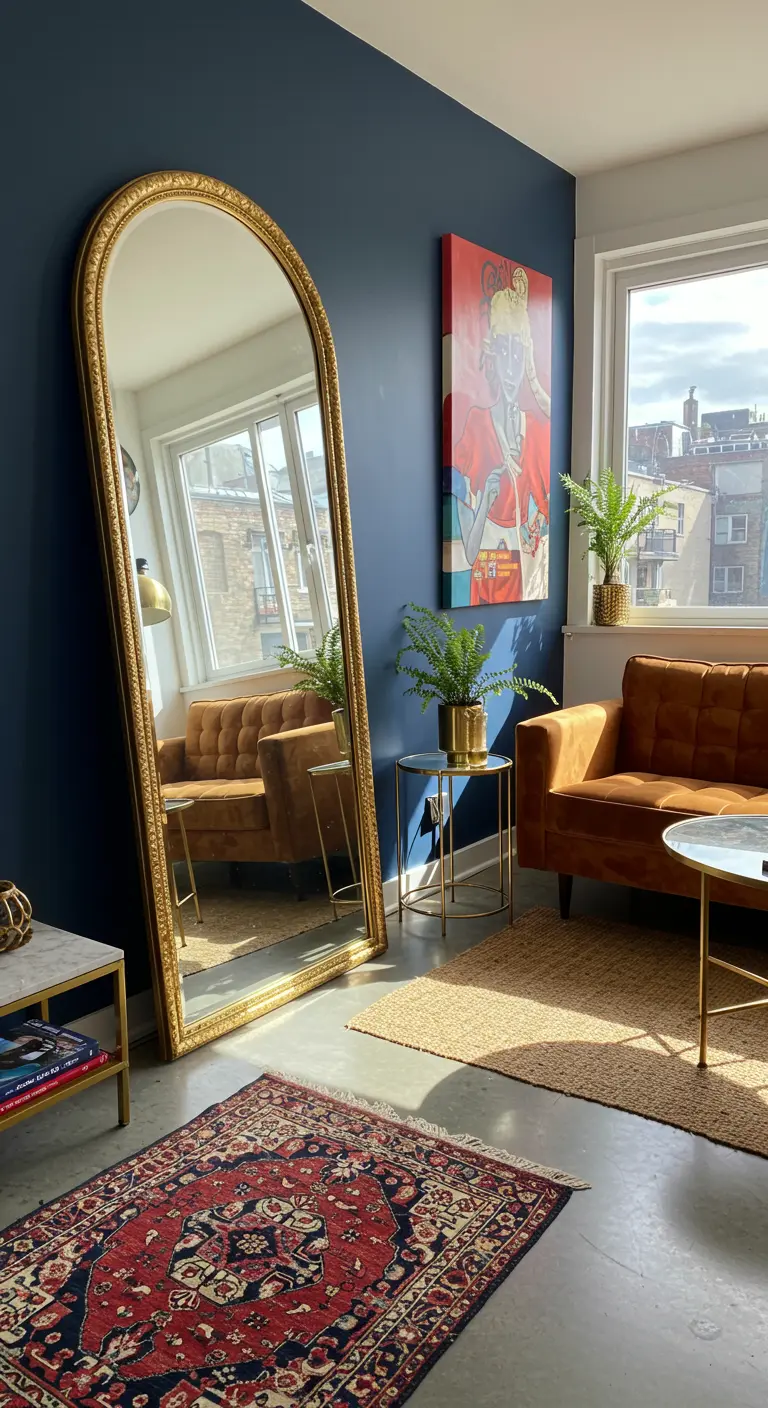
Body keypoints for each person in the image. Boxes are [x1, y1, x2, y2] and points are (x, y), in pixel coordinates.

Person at [448, 267, 550, 605]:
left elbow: (542, 527)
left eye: (517, 355)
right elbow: (471, 551)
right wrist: (485, 504)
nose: (510, 369)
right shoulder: (476, 428)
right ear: (492, 356)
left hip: (525, 582)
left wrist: (535, 529)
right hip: (487, 582)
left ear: (526, 360)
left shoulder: (536, 432)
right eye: (503, 352)